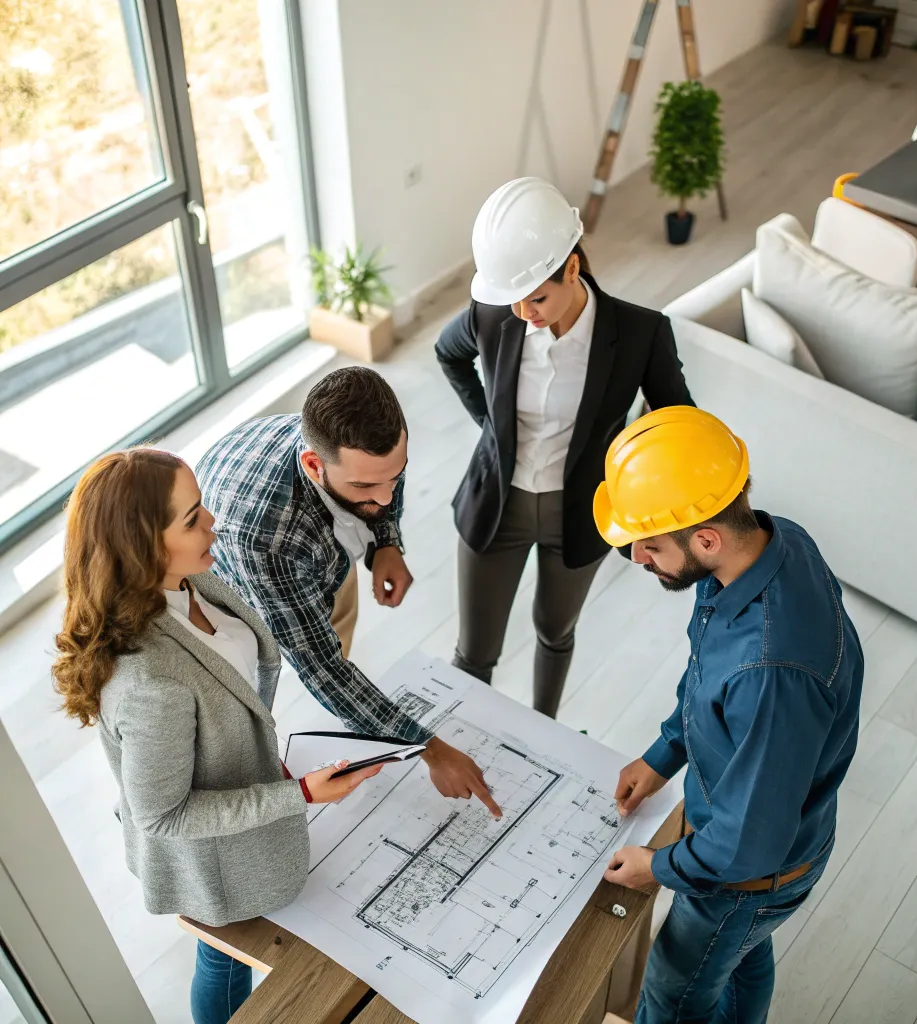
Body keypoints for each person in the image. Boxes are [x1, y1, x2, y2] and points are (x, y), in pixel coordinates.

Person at [51, 449, 385, 1024]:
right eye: (192, 517)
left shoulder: (191, 579)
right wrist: (300, 794)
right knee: (225, 959)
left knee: (231, 954)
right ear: (143, 546)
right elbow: (163, 816)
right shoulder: (148, 681)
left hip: (249, 801)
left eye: (202, 505)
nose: (213, 524)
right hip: (216, 857)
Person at [594, 407, 864, 1024]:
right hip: (764, 842)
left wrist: (656, 867)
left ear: (706, 538)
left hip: (748, 875)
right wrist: (665, 753)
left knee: (672, 990)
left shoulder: (769, 673)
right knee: (741, 955)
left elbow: (749, 843)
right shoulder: (775, 540)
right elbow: (707, 673)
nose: (638, 557)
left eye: (651, 544)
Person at [435, 177, 694, 717]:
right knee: (474, 654)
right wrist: (489, 425)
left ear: (572, 267)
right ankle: (465, 742)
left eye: (537, 297)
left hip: (579, 512)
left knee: (555, 633)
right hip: (496, 508)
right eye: (515, 299)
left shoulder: (641, 334)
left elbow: (676, 423)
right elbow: (448, 354)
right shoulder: (493, 314)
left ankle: (542, 733)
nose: (524, 311)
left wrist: (640, 484)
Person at [195, 367, 500, 816]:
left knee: (338, 633)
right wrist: (430, 749)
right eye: (364, 487)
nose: (383, 497)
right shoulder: (267, 540)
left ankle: (360, 722)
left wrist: (386, 543)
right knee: (283, 687)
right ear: (313, 464)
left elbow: (381, 484)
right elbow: (321, 668)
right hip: (243, 584)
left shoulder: (362, 454)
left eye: (394, 477)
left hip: (319, 554)